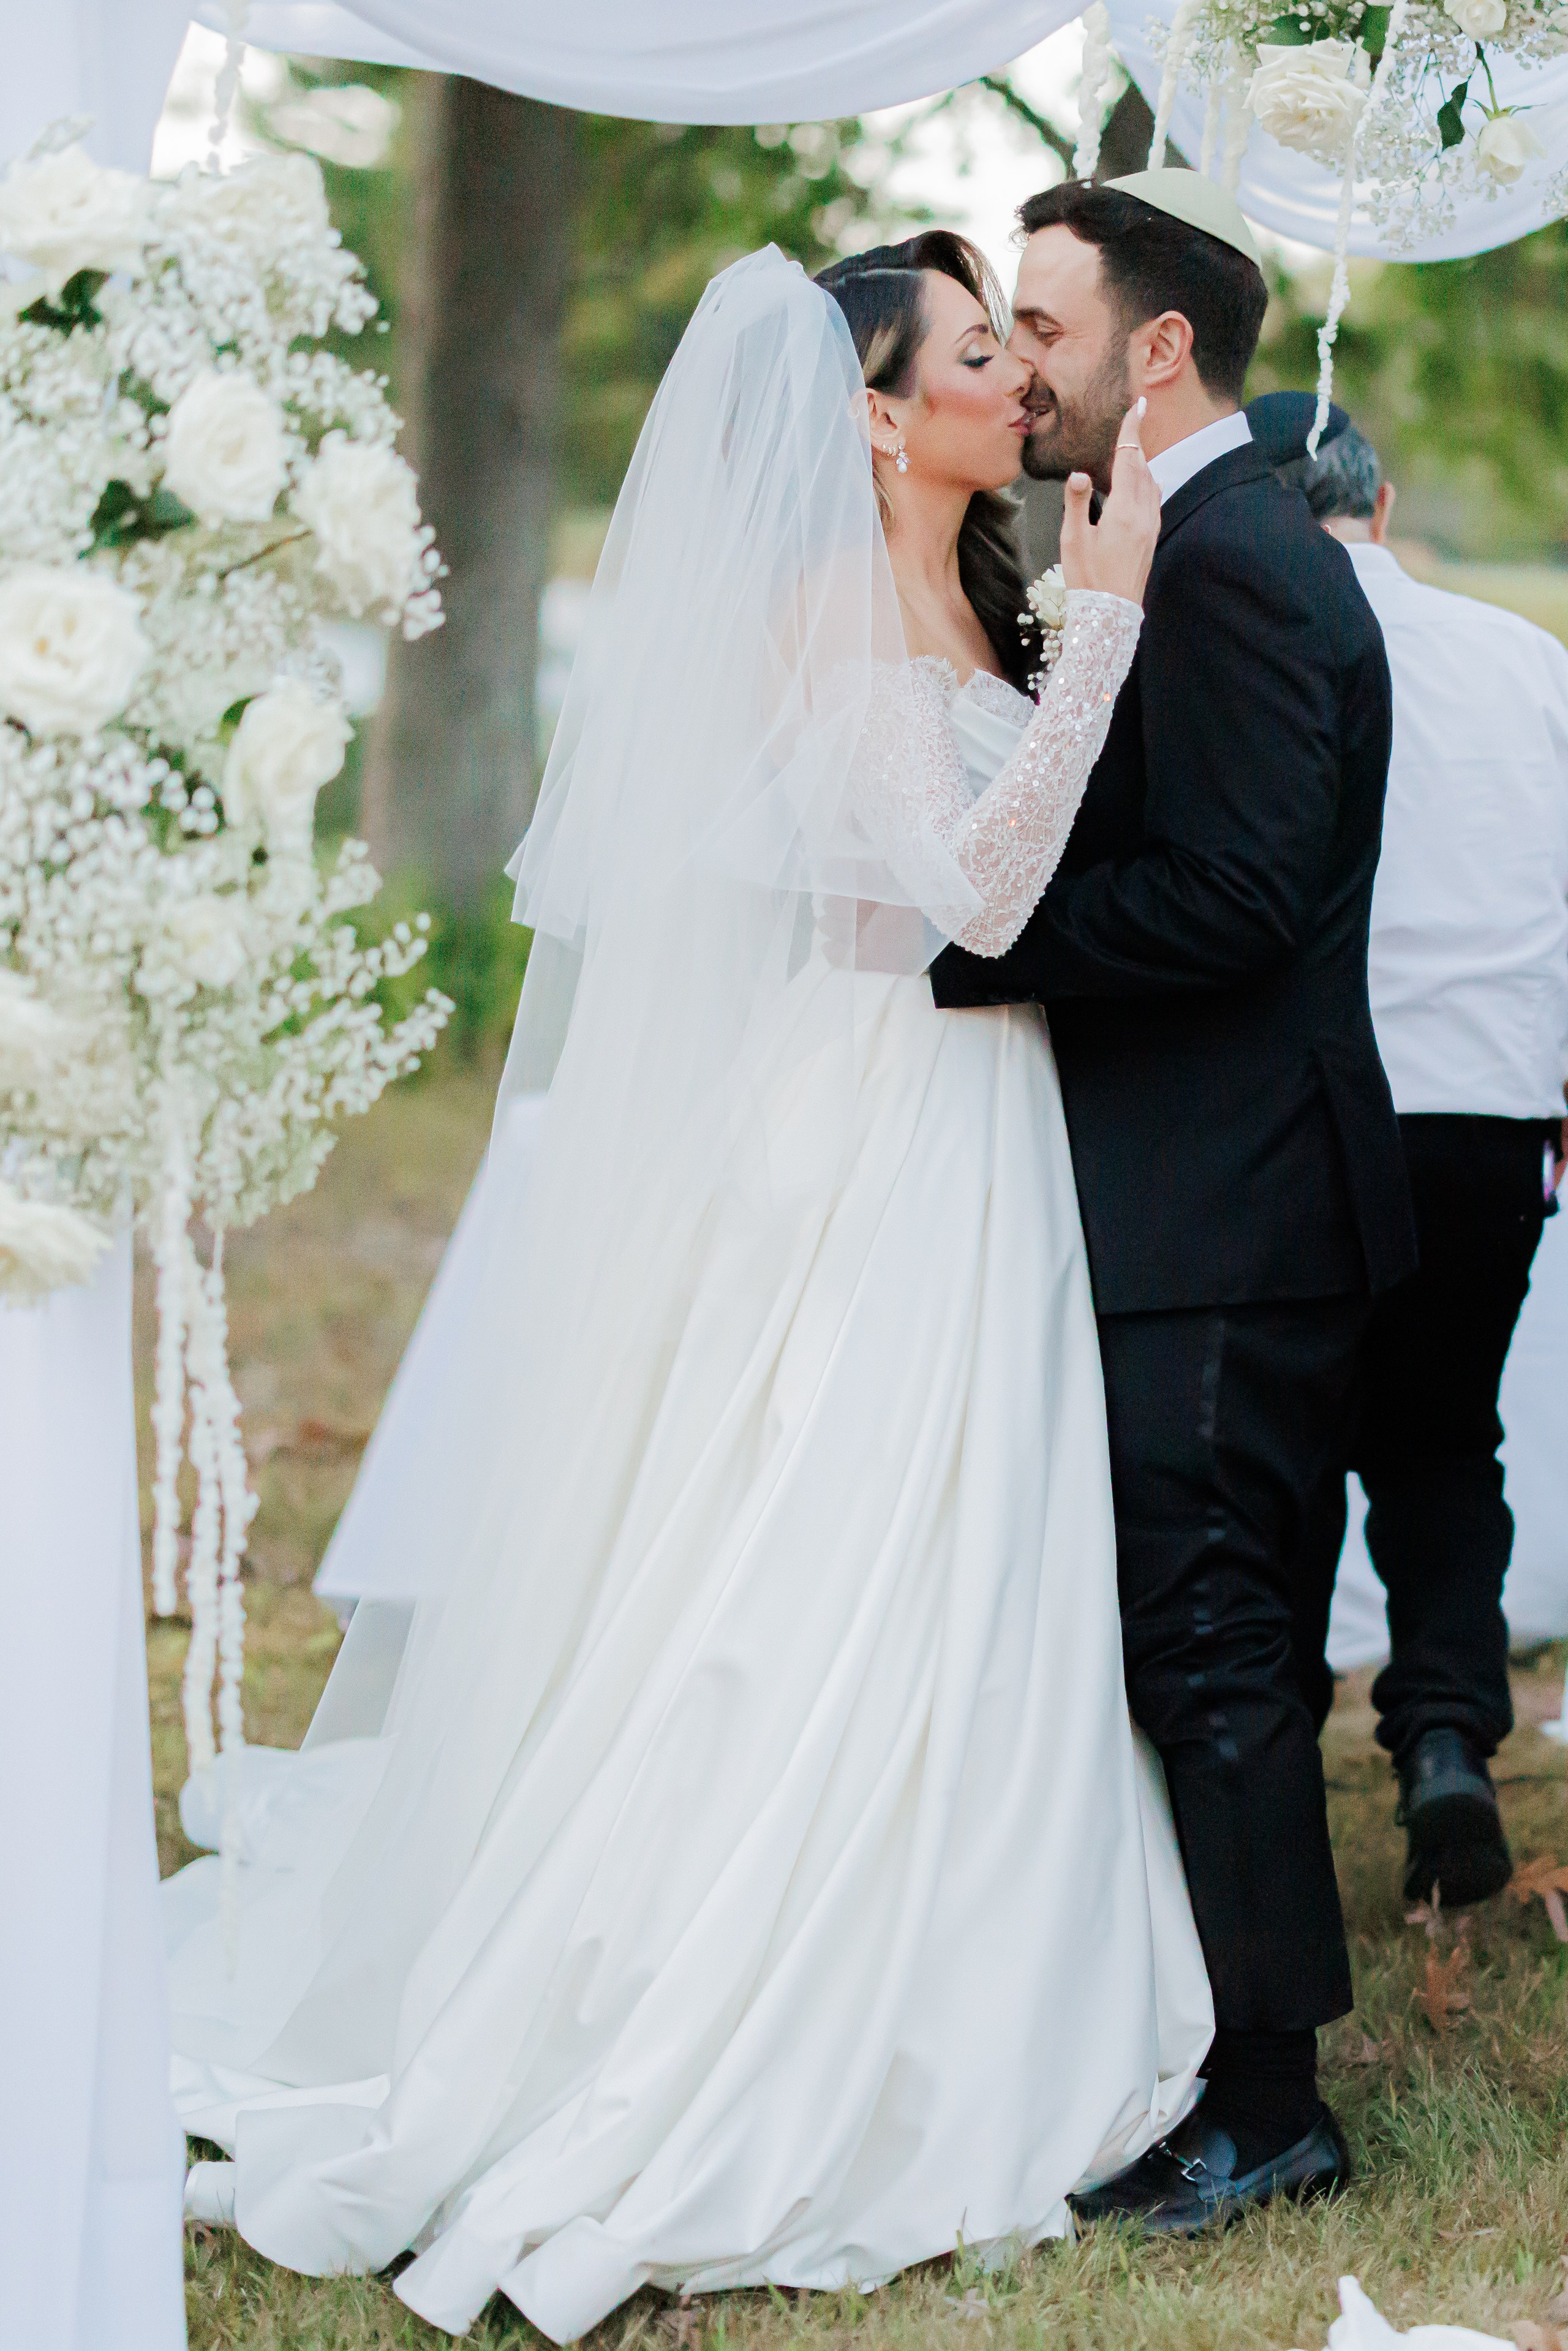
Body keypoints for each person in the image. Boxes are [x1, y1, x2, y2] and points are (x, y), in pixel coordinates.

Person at [161, 235, 1215, 2342]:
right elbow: (977, 893)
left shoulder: (958, 587)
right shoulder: (836, 606)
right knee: (829, 1550)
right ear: (874, 408)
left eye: (1022, 344)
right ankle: (734, 1982)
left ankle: (964, 1949)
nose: (1019, 380)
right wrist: (1102, 638)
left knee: (969, 1553)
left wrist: (1073, 635)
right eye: (981, 351)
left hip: (976, 1117)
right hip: (885, 1112)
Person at [930, 175, 1415, 2228]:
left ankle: (1271, 2092)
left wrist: (980, 940)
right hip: (1213, 1190)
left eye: (1039, 324)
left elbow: (1234, 893)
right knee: (1207, 1639)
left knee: (1213, 1648)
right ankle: (1211, 2042)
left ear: (1155, 349)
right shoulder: (1186, 545)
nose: (1018, 364)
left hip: (1230, 1201)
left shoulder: (1234, 565)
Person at [1250, 391, 1568, 1908]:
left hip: (1316, 1106)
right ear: (1376, 506)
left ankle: (1274, 1748)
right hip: (1490, 1114)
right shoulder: (1524, 661)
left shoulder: (1251, 651)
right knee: (1446, 1435)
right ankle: (1443, 1732)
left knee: (1292, 1441)